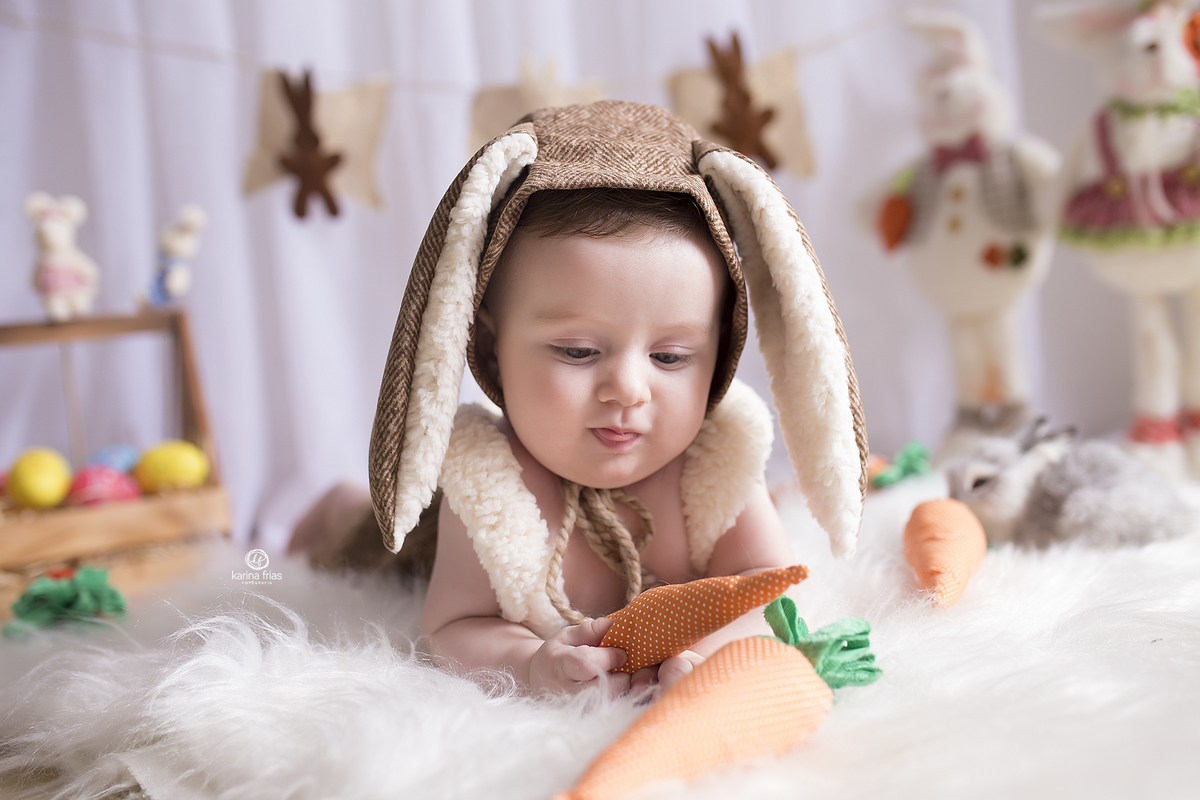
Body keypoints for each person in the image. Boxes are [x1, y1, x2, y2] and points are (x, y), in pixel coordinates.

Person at [365, 100, 868, 697]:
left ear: (720, 356)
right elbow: (454, 627)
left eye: (671, 358)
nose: (628, 390)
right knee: (355, 535)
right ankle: (333, 507)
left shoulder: (714, 465)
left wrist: (705, 654)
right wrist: (530, 664)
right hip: (404, 543)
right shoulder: (491, 483)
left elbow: (773, 589)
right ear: (491, 347)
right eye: (578, 351)